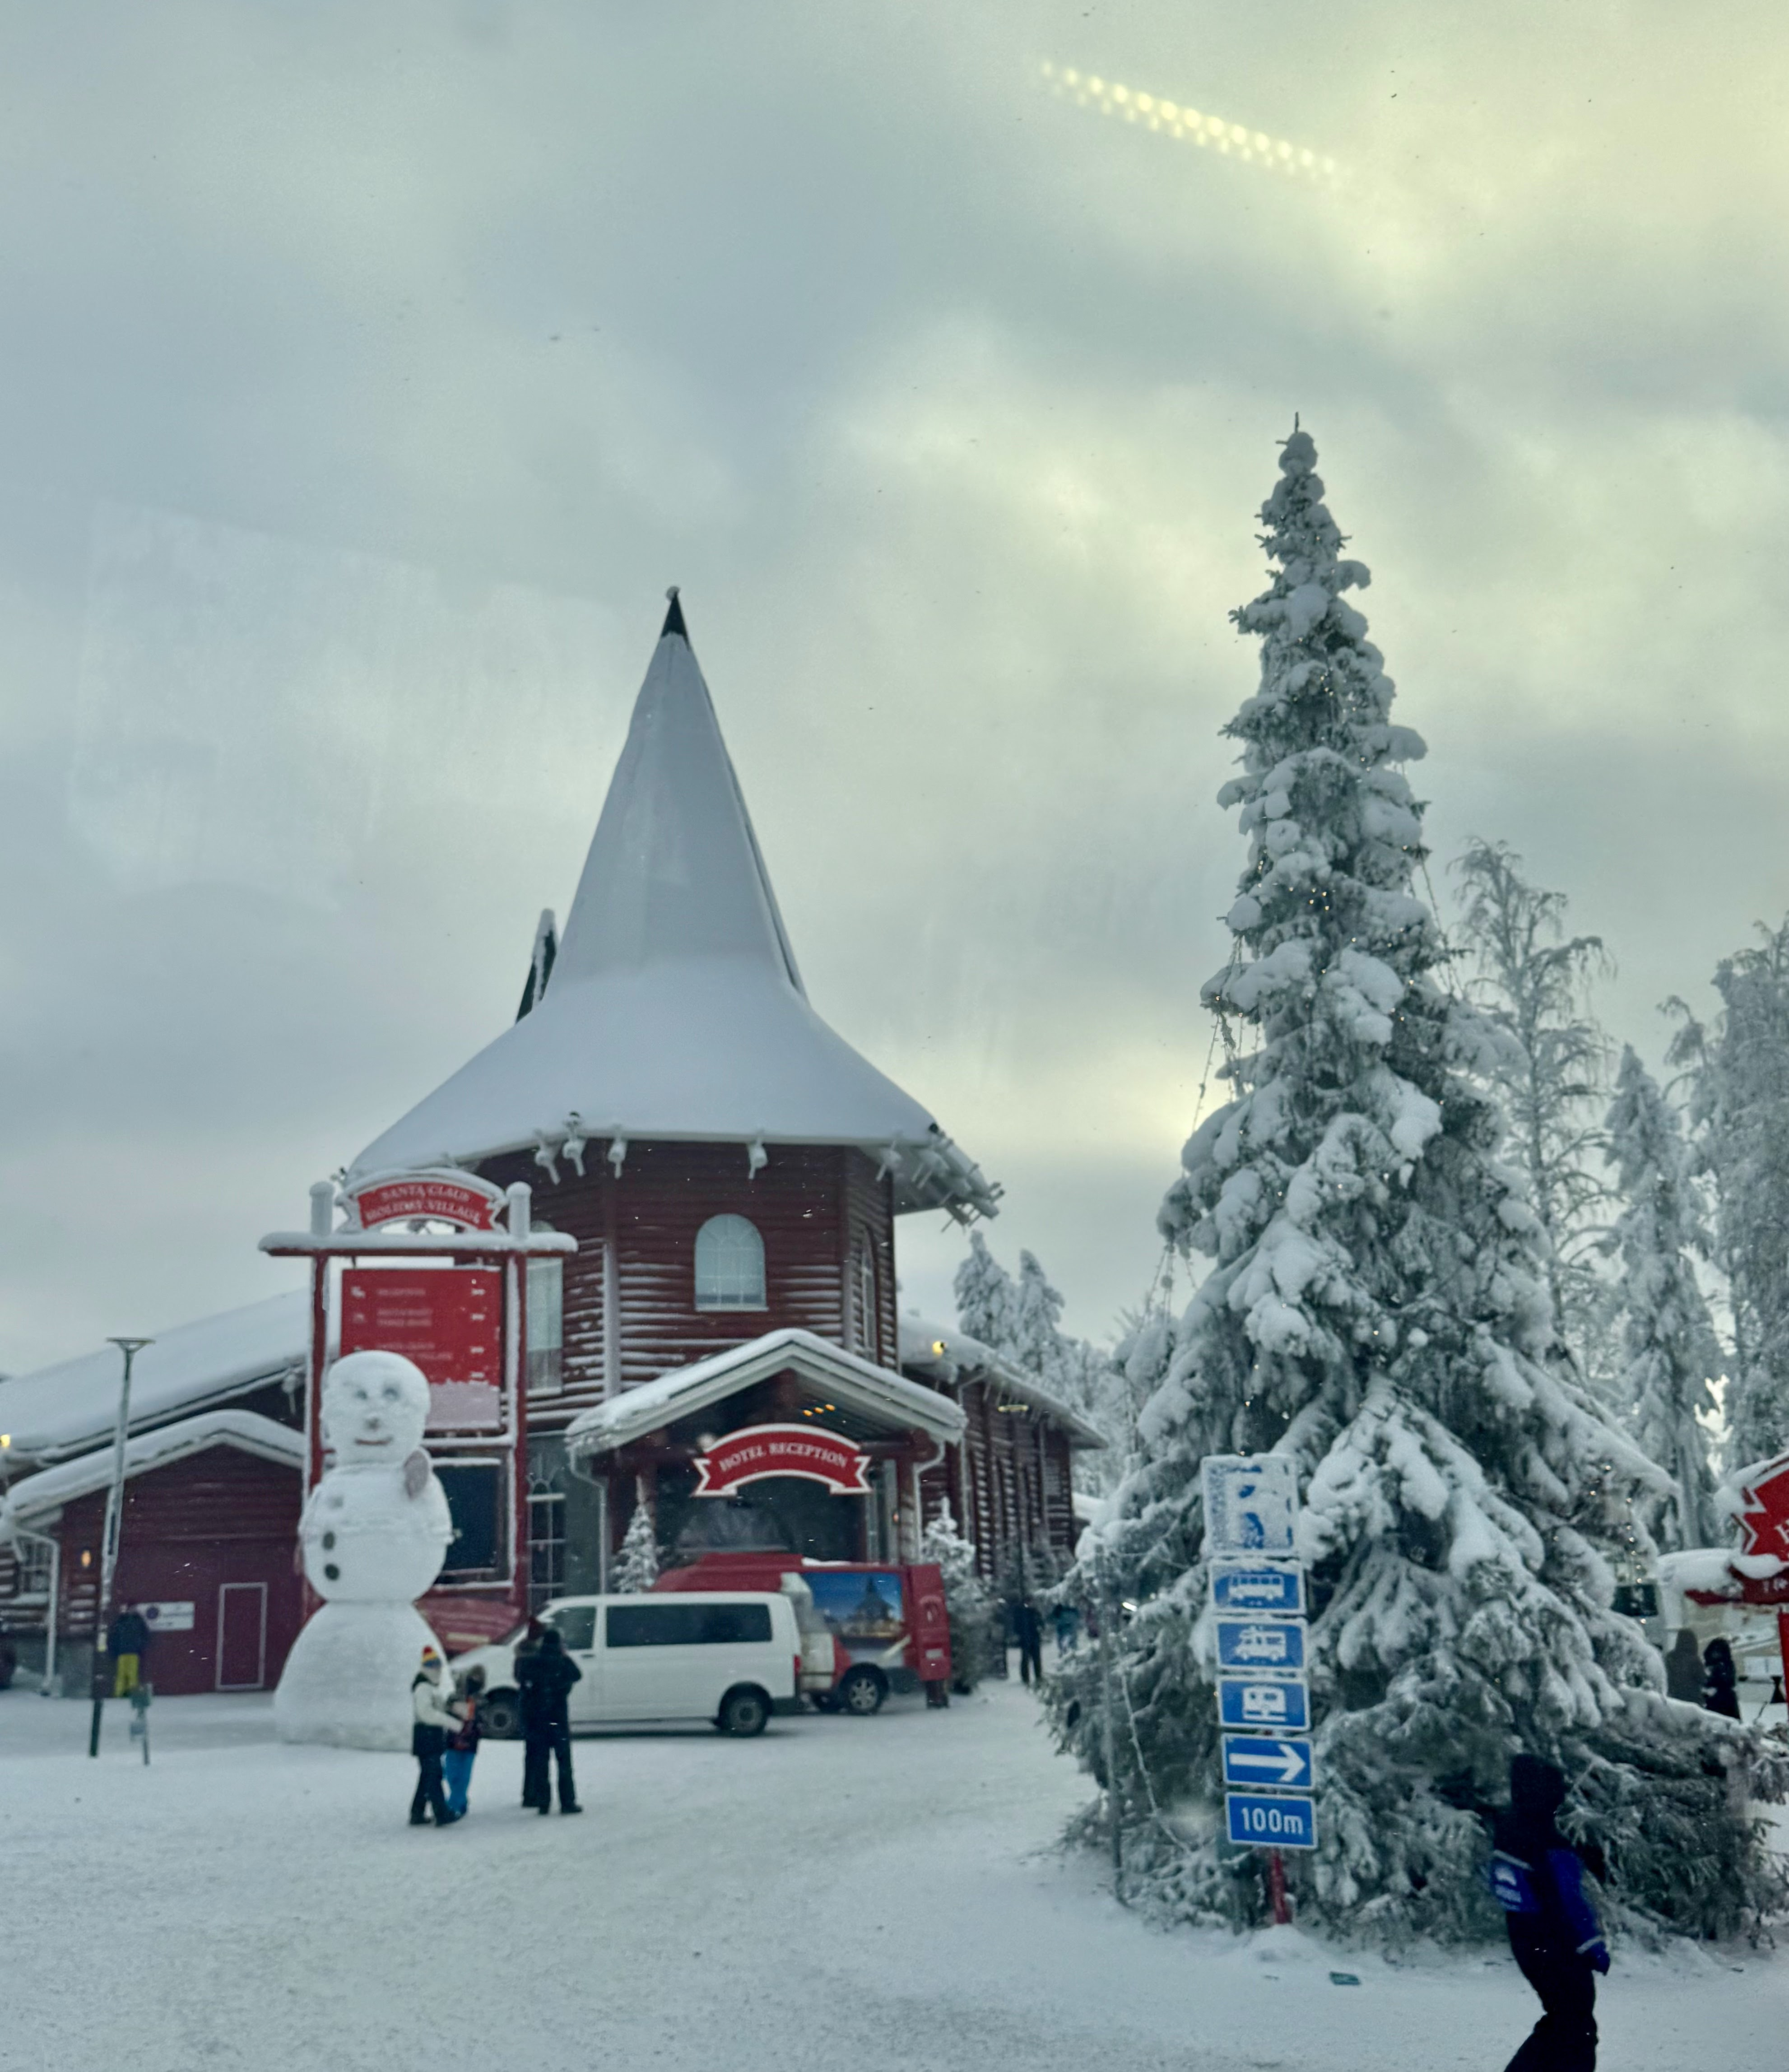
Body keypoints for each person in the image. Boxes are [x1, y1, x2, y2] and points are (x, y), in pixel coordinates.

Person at [1488, 1753, 1608, 2071]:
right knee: (1578, 2026)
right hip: (1558, 1947)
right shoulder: (1547, 1842)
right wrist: (1591, 1945)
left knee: (1561, 2021)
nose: (1561, 1799)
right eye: (1557, 1793)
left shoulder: (1507, 1829)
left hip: (1526, 1943)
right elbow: (1567, 1902)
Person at [518, 1625, 581, 1814]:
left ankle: (543, 1801)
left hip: (539, 1720)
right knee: (564, 1763)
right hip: (558, 1719)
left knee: (541, 1762)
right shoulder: (562, 1662)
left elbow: (523, 1682)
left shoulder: (533, 1662)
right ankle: (567, 1802)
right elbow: (578, 1675)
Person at [409, 1645, 462, 1828]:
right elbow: (426, 1713)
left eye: (438, 1665)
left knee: (427, 1776)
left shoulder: (429, 1687)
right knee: (433, 1777)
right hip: (427, 1737)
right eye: (433, 1665)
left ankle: (417, 1813)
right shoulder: (423, 1688)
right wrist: (451, 1722)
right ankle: (442, 1814)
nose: (438, 1669)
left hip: (429, 1738)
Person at [443, 1667, 485, 1820]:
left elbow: (483, 1721)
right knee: (452, 1774)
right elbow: (446, 1714)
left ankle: (454, 1806)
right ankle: (460, 1801)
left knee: (463, 1776)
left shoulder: (481, 1700)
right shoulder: (454, 1697)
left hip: (469, 1742)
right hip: (454, 1740)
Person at [107, 1605, 152, 1697]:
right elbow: (113, 1637)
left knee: (130, 1675)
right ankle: (121, 1693)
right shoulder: (132, 1621)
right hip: (125, 1652)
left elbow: (145, 1636)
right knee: (123, 1675)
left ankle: (129, 1693)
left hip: (131, 1652)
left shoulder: (124, 1621)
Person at [1702, 1635, 1741, 1719]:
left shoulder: (1725, 1665)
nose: (1716, 1654)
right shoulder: (1710, 1665)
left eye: (1719, 1651)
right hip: (1714, 1701)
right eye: (1715, 1651)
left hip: (1724, 1702)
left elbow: (1729, 1681)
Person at [1664, 1627, 1704, 1703]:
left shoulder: (1670, 1657)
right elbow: (1702, 1679)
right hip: (1693, 1699)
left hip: (1675, 1699)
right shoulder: (1694, 1660)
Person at [1013, 1597, 1044, 1687]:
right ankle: (1025, 1677)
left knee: (1036, 1659)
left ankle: (1038, 1676)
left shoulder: (1035, 1612)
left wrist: (1040, 1628)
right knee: (1026, 1659)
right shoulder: (1021, 1613)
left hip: (1034, 1638)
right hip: (1026, 1639)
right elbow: (1017, 1626)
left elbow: (1041, 1623)